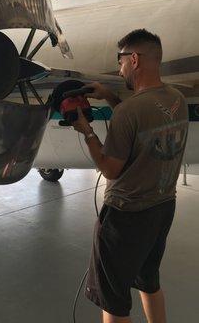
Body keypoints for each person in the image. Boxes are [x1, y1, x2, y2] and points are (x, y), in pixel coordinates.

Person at [72, 29, 189, 323]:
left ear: (134, 59)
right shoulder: (177, 99)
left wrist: (87, 132)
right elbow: (140, 123)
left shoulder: (129, 112)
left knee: (113, 300)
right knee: (148, 280)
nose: (119, 67)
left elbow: (110, 168)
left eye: (121, 60)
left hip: (126, 216)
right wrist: (110, 95)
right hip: (162, 207)